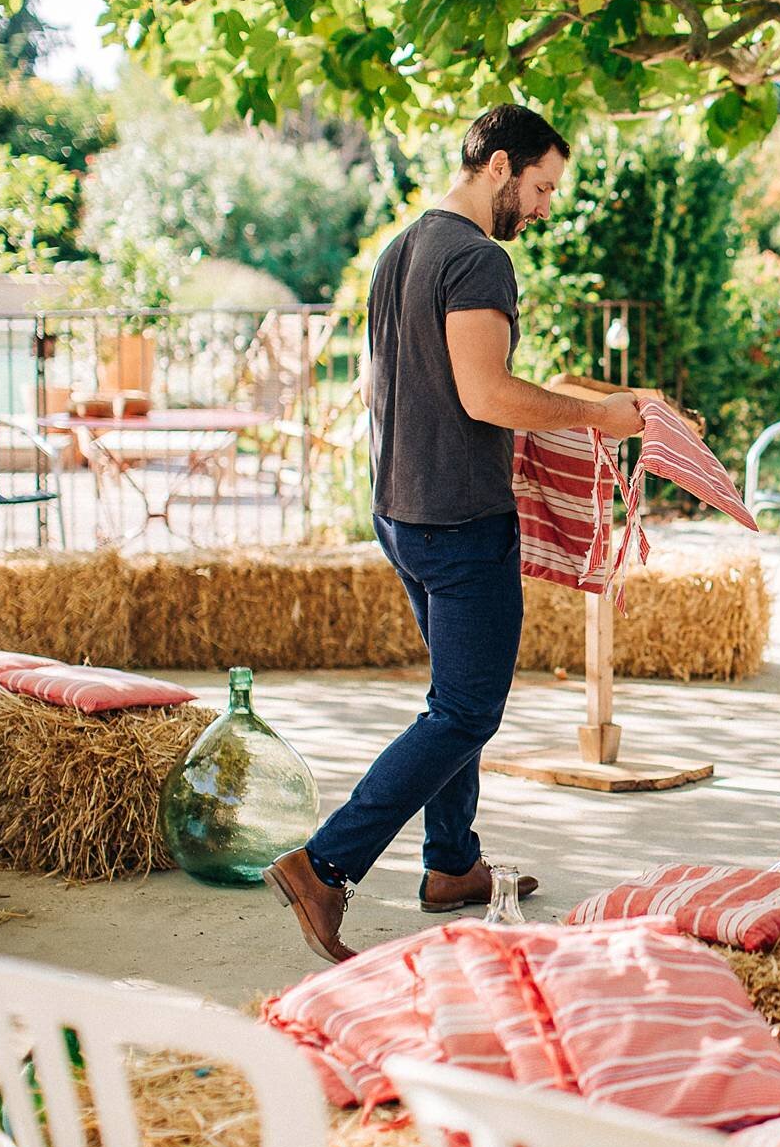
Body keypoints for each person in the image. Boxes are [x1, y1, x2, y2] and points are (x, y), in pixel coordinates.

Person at [264, 105, 645, 962]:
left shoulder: (402, 249)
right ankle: (326, 865)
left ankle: (452, 863)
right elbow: (486, 394)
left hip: (400, 508)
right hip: (460, 518)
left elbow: (410, 385)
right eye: (542, 186)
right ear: (500, 165)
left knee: (453, 699)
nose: (545, 206)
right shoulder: (478, 257)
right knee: (466, 709)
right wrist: (599, 416)